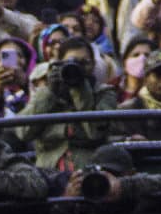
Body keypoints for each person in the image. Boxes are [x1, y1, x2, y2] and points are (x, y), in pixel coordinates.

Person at [23, 33, 107, 167]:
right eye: (71, 63)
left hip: (88, 169)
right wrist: (49, 92)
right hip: (50, 171)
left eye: (83, 63)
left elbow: (95, 132)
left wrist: (80, 90)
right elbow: (23, 132)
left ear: (93, 65)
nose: (78, 68)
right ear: (60, 63)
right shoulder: (49, 93)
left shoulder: (104, 93)